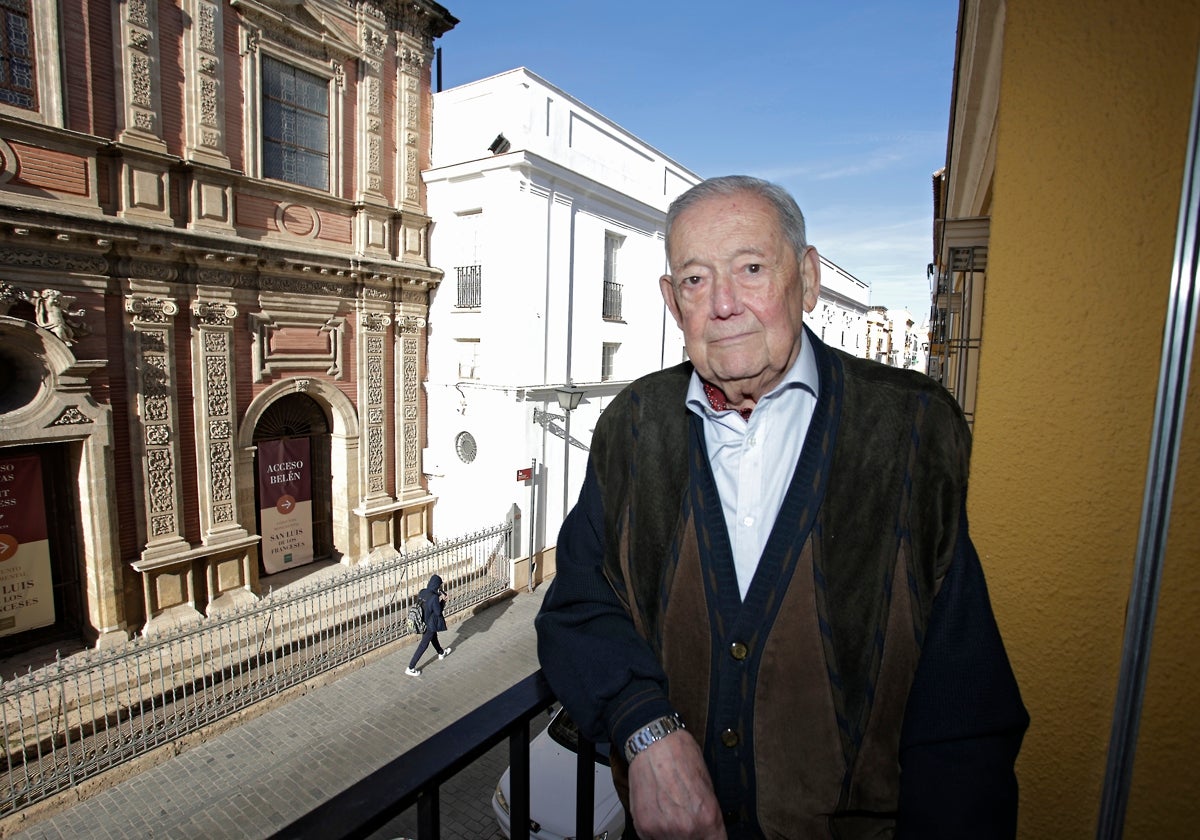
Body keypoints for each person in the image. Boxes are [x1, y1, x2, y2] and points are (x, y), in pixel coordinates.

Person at [535, 176, 1029, 839]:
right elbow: (577, 605)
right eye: (695, 280)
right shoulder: (635, 425)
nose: (724, 304)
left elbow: (963, 718)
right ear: (671, 302)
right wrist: (644, 727)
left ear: (809, 277)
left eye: (752, 268)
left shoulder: (909, 429)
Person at [405, 573, 452, 676]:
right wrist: (443, 601)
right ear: (437, 585)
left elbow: (425, 604)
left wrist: (438, 594)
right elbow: (437, 612)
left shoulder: (422, 592)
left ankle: (441, 653)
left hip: (421, 621)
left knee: (434, 637)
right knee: (423, 645)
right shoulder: (434, 598)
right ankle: (411, 667)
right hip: (428, 625)